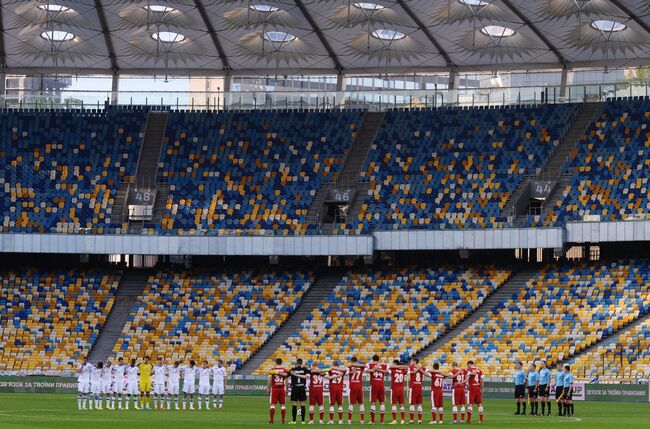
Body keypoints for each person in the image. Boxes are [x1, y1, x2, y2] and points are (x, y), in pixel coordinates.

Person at [367, 354, 389, 424]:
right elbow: (387, 371)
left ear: (372, 359)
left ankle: (372, 421)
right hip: (381, 385)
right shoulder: (384, 365)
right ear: (378, 359)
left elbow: (366, 370)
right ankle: (382, 421)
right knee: (382, 403)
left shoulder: (370, 365)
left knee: (373, 403)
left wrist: (374, 369)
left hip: (374, 385)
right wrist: (380, 370)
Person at [288, 358, 310, 424]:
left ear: (296, 363)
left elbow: (286, 375)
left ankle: (294, 421)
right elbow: (310, 372)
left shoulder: (292, 369)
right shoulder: (304, 369)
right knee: (302, 404)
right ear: (301, 363)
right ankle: (303, 421)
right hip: (302, 388)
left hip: (295, 388)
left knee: (294, 404)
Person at [268, 358, 289, 424]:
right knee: (283, 405)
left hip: (274, 388)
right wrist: (287, 389)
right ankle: (282, 421)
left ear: (276, 362)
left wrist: (268, 388)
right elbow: (286, 381)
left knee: (272, 404)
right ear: (281, 362)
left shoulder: (272, 370)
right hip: (282, 389)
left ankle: (271, 420)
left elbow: (269, 380)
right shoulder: (284, 370)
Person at [388, 360, 409, 424]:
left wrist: (396, 367)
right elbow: (407, 368)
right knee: (402, 405)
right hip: (401, 390)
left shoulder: (393, 370)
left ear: (395, 363)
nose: (392, 364)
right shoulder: (402, 370)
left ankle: (394, 420)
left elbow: (388, 368)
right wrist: (401, 367)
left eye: (393, 363)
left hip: (394, 389)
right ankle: (402, 420)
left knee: (394, 404)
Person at [326, 360, 346, 424]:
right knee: (340, 405)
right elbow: (346, 369)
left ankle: (331, 421)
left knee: (331, 404)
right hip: (340, 389)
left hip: (332, 389)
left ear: (333, 365)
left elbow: (327, 376)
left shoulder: (330, 370)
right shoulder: (342, 370)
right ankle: (340, 421)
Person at [347, 357, 366, 424]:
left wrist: (353, 366)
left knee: (351, 403)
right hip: (359, 386)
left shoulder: (350, 367)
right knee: (361, 403)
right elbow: (365, 366)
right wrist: (358, 365)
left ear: (351, 361)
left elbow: (347, 371)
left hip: (353, 386)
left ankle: (349, 420)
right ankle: (362, 420)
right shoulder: (361, 367)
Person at [407, 358, 425, 424]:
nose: (410, 362)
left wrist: (419, 368)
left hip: (413, 387)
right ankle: (419, 420)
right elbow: (427, 373)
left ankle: (412, 420)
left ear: (414, 362)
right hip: (419, 387)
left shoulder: (411, 367)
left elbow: (413, 372)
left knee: (412, 404)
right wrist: (420, 368)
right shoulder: (421, 367)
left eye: (411, 361)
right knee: (419, 404)